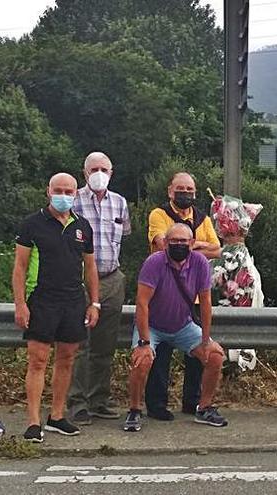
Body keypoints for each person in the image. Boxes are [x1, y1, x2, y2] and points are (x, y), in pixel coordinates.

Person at [12, 173, 99, 443]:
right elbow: (20, 267)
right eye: (58, 190)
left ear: (76, 194)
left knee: (67, 359)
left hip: (73, 301)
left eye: (69, 191)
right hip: (41, 299)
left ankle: (57, 416)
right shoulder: (32, 224)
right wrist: (20, 305)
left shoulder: (82, 226)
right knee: (38, 360)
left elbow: (90, 266)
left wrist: (94, 302)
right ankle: (34, 421)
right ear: (48, 191)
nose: (63, 195)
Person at [124, 223, 228, 431]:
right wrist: (144, 342)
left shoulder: (200, 263)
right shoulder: (153, 263)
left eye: (183, 241)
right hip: (152, 325)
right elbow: (142, 303)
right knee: (142, 360)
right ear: (165, 243)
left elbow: (206, 303)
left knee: (215, 356)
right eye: (174, 241)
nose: (179, 245)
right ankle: (134, 410)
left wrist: (206, 340)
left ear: (192, 243)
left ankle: (204, 407)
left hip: (183, 325)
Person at [145, 172, 220, 420]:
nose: (185, 193)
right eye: (180, 189)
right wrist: (199, 245)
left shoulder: (202, 218)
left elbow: (217, 249)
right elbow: (160, 245)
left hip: (194, 297)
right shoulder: (159, 214)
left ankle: (193, 402)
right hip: (164, 294)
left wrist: (192, 244)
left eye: (189, 189)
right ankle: (157, 405)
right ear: (170, 191)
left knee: (198, 355)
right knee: (161, 355)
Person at [66, 152, 130, 426]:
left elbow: (123, 235)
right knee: (79, 345)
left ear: (112, 173)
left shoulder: (120, 203)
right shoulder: (72, 201)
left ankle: (99, 399)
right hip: (79, 281)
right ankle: (76, 403)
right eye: (95, 169)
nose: (100, 173)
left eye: (105, 168)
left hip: (112, 279)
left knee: (105, 345)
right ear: (85, 173)